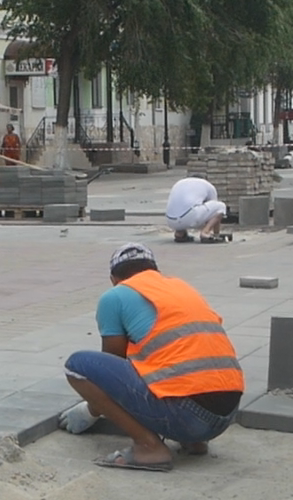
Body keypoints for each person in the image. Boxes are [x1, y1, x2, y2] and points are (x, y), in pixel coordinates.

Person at [63, 243, 244, 471]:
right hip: (225, 416)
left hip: (188, 417)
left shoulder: (115, 296)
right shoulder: (181, 287)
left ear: (113, 278)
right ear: (155, 271)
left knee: (78, 365)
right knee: (169, 364)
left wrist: (91, 410)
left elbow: (111, 368)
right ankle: (194, 443)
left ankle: (149, 448)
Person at [164, 175, 227, 243]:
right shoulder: (208, 185)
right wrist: (216, 234)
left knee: (183, 209)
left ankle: (179, 234)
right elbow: (216, 212)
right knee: (221, 206)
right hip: (189, 216)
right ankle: (205, 233)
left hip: (170, 221)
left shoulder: (180, 183)